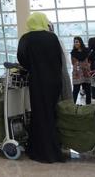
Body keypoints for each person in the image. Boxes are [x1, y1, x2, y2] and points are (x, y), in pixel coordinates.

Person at [17, 12, 65, 163]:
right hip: (55, 81)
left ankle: (40, 150)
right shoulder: (52, 37)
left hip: (38, 81)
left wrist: (32, 65)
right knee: (50, 113)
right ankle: (54, 149)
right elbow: (59, 59)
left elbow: (22, 58)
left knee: (39, 114)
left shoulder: (26, 38)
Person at [71, 36, 92, 105]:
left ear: (80, 42)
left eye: (77, 42)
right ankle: (72, 107)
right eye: (74, 42)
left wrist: (87, 66)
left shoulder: (87, 51)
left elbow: (90, 61)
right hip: (77, 73)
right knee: (75, 91)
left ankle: (88, 107)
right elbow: (73, 63)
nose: (75, 43)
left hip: (86, 72)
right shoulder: (73, 52)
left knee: (88, 91)